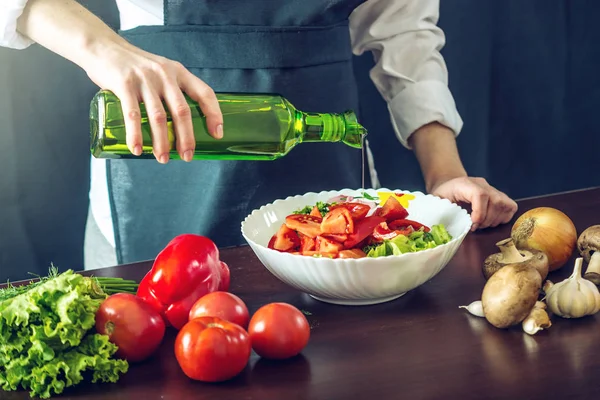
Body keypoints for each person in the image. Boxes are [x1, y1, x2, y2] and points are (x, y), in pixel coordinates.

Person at [1, 0, 518, 269]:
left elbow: (406, 33)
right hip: (163, 172)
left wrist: (444, 171)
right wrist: (103, 49)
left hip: (327, 168)